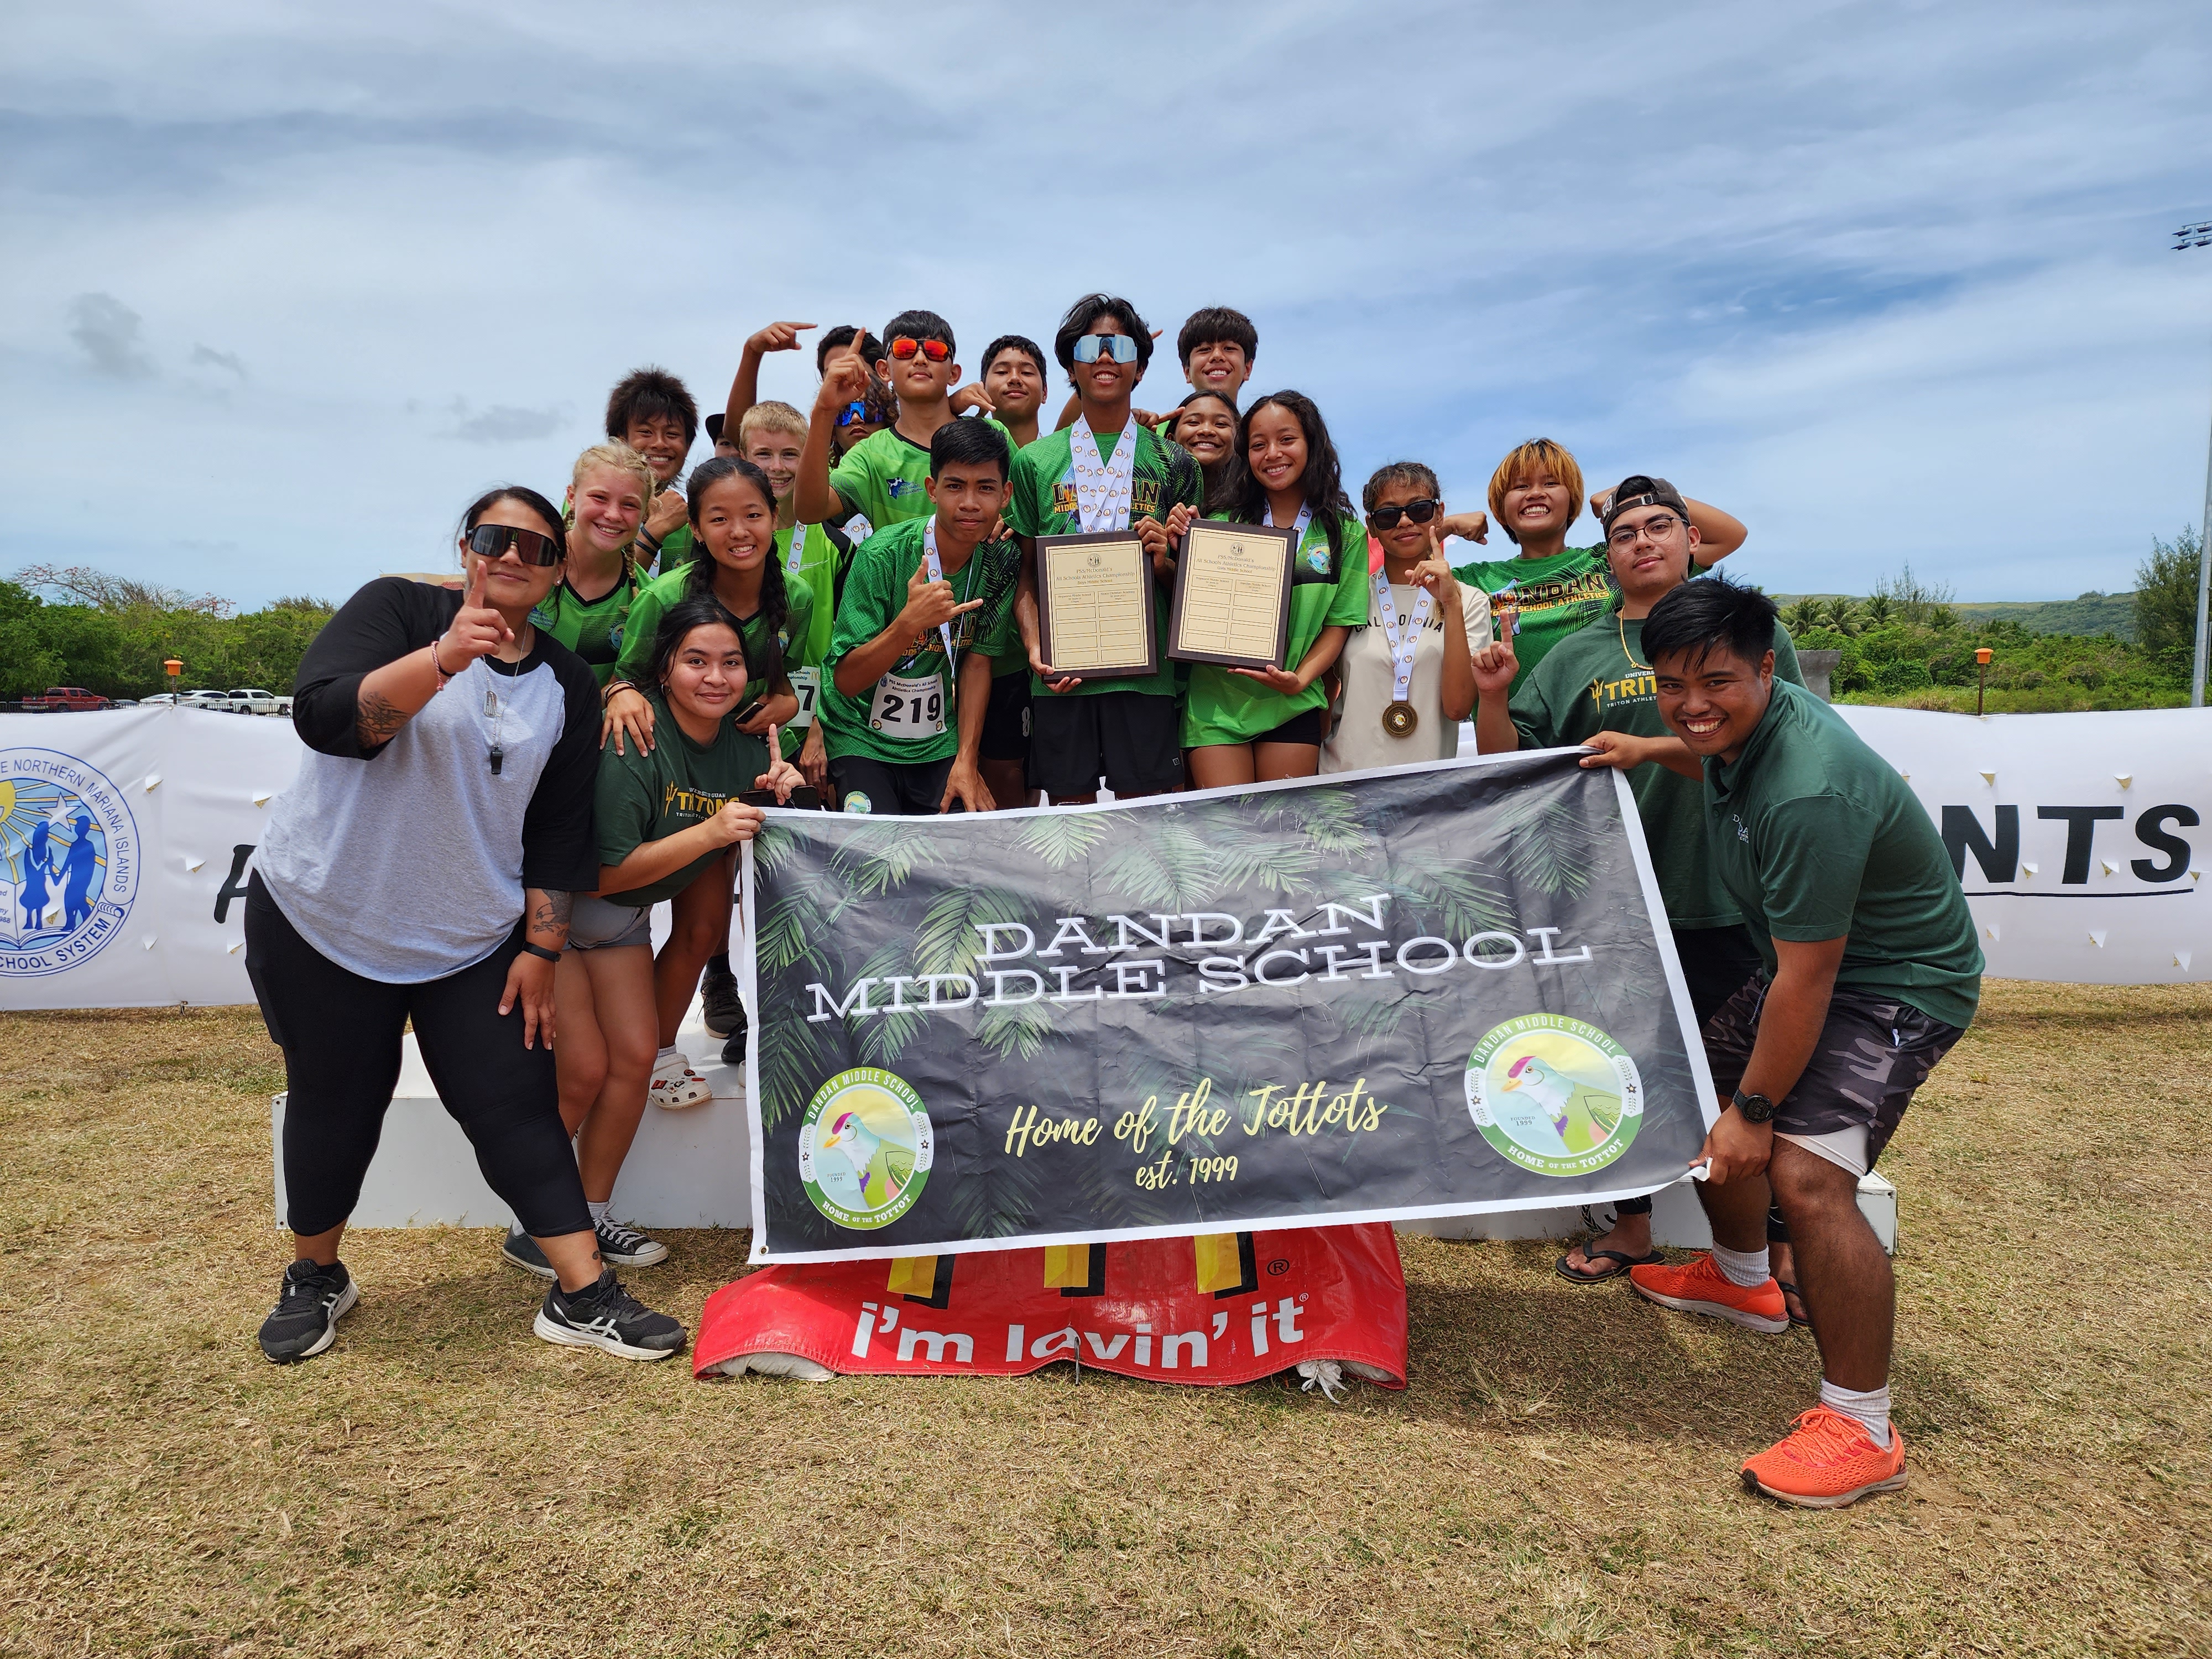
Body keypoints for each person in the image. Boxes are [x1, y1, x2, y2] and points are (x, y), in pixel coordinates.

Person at [246, 486, 685, 1365]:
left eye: (538, 548)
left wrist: (541, 948)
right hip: (324, 915)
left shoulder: (565, 679)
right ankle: (317, 1275)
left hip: (468, 936)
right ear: (466, 546)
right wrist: (442, 660)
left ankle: (580, 1291)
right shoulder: (399, 609)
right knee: (338, 1101)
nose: (516, 556)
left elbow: (559, 834)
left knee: (513, 1104)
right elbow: (327, 719)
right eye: (497, 539)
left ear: (559, 569)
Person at [1625, 575, 1981, 1508]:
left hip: (1897, 985)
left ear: (1768, 668)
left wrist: (1755, 1112)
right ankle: (1743, 1281)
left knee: (1806, 1178)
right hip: (1821, 969)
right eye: (1671, 686)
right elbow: (1707, 750)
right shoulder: (1744, 729)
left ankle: (1861, 1425)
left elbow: (1809, 980)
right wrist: (1646, 745)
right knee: (1699, 1087)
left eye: (1716, 683)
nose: (1694, 706)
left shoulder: (1809, 789)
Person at [1470, 477, 1803, 1287]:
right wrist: (1490, 694)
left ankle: (1781, 1242)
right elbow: (1511, 759)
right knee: (1619, 1067)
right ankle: (1632, 1226)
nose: (1643, 542)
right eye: (1625, 534)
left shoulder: (1748, 634)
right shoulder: (1579, 651)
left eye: (1661, 527)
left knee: (1757, 1075)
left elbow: (1785, 746)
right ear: (1607, 557)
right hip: (1618, 898)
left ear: (1693, 540)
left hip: (1736, 891)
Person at [505, 598, 801, 1281]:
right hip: (566, 915)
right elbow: (605, 875)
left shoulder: (746, 742)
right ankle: (536, 1224)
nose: (715, 677)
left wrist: (784, 791)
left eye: (731, 663)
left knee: (637, 1059)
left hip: (625, 926)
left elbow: (755, 822)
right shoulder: (631, 736)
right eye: (696, 660)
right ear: (664, 670)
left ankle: (593, 1211)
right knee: (582, 1070)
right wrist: (711, 830)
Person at [604, 458, 807, 1087]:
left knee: (702, 930)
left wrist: (790, 702)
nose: (739, 530)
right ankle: (649, 1048)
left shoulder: (793, 596)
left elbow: (787, 685)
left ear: (775, 519)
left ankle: (665, 1046)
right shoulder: (667, 596)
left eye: (753, 515)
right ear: (694, 527)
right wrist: (617, 694)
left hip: (735, 768)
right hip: (663, 765)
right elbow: (627, 674)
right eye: (719, 518)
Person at [1006, 294, 1206, 804]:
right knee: (1070, 827)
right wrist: (1033, 646)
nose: (1105, 357)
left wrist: (1165, 560)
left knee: (1149, 827)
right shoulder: (1033, 462)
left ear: (1138, 365)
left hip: (1146, 680)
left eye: (1119, 345)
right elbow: (1027, 574)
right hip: (1062, 674)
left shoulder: (1176, 462)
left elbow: (1189, 589)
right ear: (1071, 363)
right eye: (1091, 345)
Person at [818, 418, 1021, 815]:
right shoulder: (882, 554)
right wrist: (908, 623)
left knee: (956, 860)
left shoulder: (1001, 560)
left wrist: (966, 759)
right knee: (877, 861)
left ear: (1006, 495)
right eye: (954, 486)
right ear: (932, 490)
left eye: (985, 488)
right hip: (861, 735)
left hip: (938, 741)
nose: (969, 503)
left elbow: (978, 665)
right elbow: (846, 680)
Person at [1455, 439, 1747, 690]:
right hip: (1515, 742)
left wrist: (1631, 497)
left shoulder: (1613, 559)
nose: (1535, 493)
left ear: (1573, 500)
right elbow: (1411, 584)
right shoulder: (1476, 579)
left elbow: (1729, 536)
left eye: (1551, 483)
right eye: (1520, 486)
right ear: (1500, 508)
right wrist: (1443, 526)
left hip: (1609, 735)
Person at [1183, 391, 1368, 788]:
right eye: (1257, 445)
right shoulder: (1220, 525)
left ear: (1312, 444)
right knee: (1230, 838)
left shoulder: (1346, 535)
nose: (1273, 454)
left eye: (1287, 439)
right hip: (1217, 704)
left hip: (1292, 701)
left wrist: (1300, 679)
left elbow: (1338, 625)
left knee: (1283, 837)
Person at [1320, 462, 1489, 773]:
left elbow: (1458, 707)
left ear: (1439, 514)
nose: (1405, 521)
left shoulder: (1470, 601)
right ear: (1371, 526)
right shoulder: (1350, 596)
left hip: (1425, 792)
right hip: (1343, 784)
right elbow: (1326, 695)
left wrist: (1450, 603)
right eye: (1388, 515)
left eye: (1420, 510)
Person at [795, 310, 1015, 535]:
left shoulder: (993, 433)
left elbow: (1029, 508)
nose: (920, 359)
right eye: (905, 351)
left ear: (954, 374)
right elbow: (809, 511)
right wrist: (824, 411)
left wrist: (1012, 522)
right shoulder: (870, 455)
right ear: (884, 370)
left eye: (935, 351)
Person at [528, 442, 653, 688]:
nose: (613, 515)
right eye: (600, 498)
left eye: (629, 504)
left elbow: (622, 685)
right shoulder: (529, 565)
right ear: (572, 497)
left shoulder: (646, 599)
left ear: (645, 514)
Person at [606, 367, 701, 576]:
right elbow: (598, 585)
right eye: (646, 432)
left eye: (672, 434)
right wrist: (655, 531)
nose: (660, 444)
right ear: (621, 440)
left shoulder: (692, 525)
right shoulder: (594, 504)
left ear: (687, 446)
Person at [977, 333, 1050, 451]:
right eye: (1002, 372)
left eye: (1027, 373)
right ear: (983, 389)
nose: (1015, 378)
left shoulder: (1067, 460)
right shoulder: (961, 456)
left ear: (1044, 392)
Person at [1167, 389, 1239, 503]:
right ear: (1170, 440)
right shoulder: (1150, 499)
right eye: (1193, 422)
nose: (1206, 430)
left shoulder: (1253, 507)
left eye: (1221, 424)